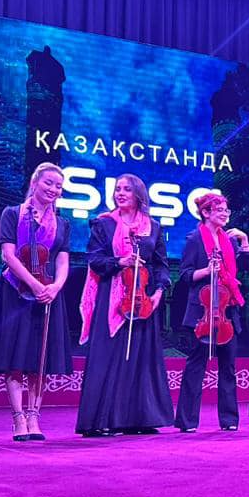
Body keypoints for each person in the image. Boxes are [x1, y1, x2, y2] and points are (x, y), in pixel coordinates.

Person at [76, 173, 173, 437]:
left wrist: (159, 291)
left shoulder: (153, 227)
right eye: (118, 189)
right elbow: (94, 259)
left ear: (138, 194)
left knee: (140, 359)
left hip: (142, 297)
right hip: (111, 296)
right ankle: (100, 420)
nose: (120, 193)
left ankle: (138, 419)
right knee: (107, 357)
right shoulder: (103, 223)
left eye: (127, 189)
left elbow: (161, 265)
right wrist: (120, 262)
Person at [0, 162, 71, 442]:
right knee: (16, 357)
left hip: (48, 294)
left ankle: (34, 415)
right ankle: (18, 417)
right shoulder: (13, 214)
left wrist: (55, 286)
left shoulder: (62, 223)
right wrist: (34, 285)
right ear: (34, 183)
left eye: (58, 186)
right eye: (48, 183)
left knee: (39, 358)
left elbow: (62, 260)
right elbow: (8, 255)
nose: (53, 189)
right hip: (16, 291)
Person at [174, 192, 249, 433]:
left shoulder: (230, 240)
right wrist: (207, 271)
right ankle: (187, 421)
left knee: (228, 366)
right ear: (206, 213)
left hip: (227, 310)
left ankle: (229, 419)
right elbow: (185, 275)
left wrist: (245, 243)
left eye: (227, 210)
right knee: (196, 365)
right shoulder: (195, 239)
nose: (225, 214)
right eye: (220, 210)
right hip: (203, 312)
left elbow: (241, 271)